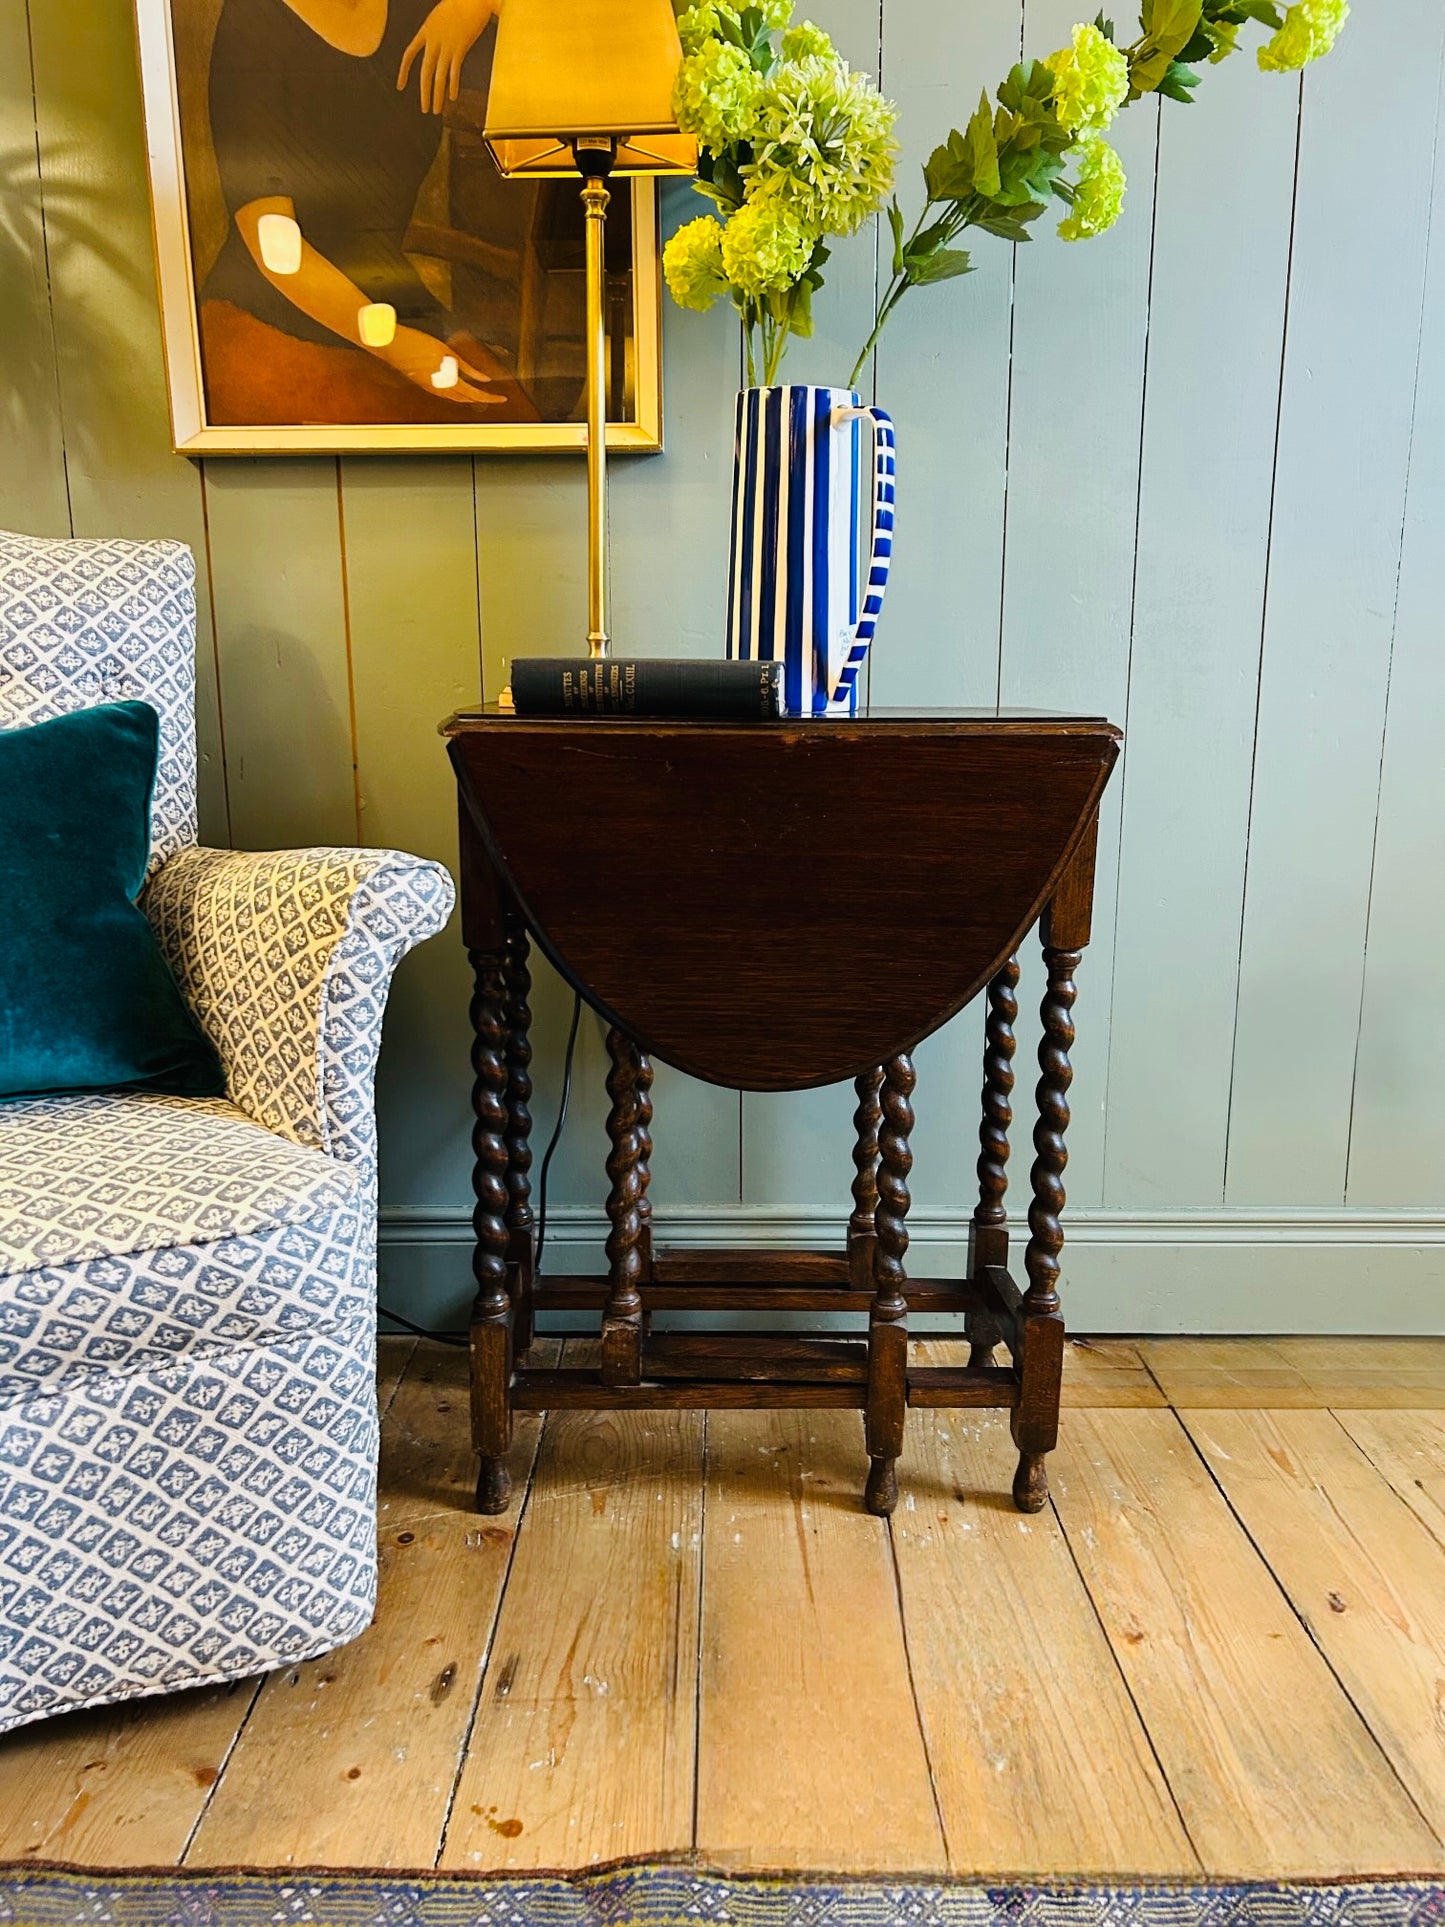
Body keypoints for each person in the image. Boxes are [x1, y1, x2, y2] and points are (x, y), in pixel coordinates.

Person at [201, 0, 522, 422]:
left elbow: (568, 53)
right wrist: (395, 346)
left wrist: (479, 4)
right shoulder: (253, 22)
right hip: (271, 312)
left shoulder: (421, 10)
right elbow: (274, 245)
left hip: (395, 301)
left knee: (514, 422)